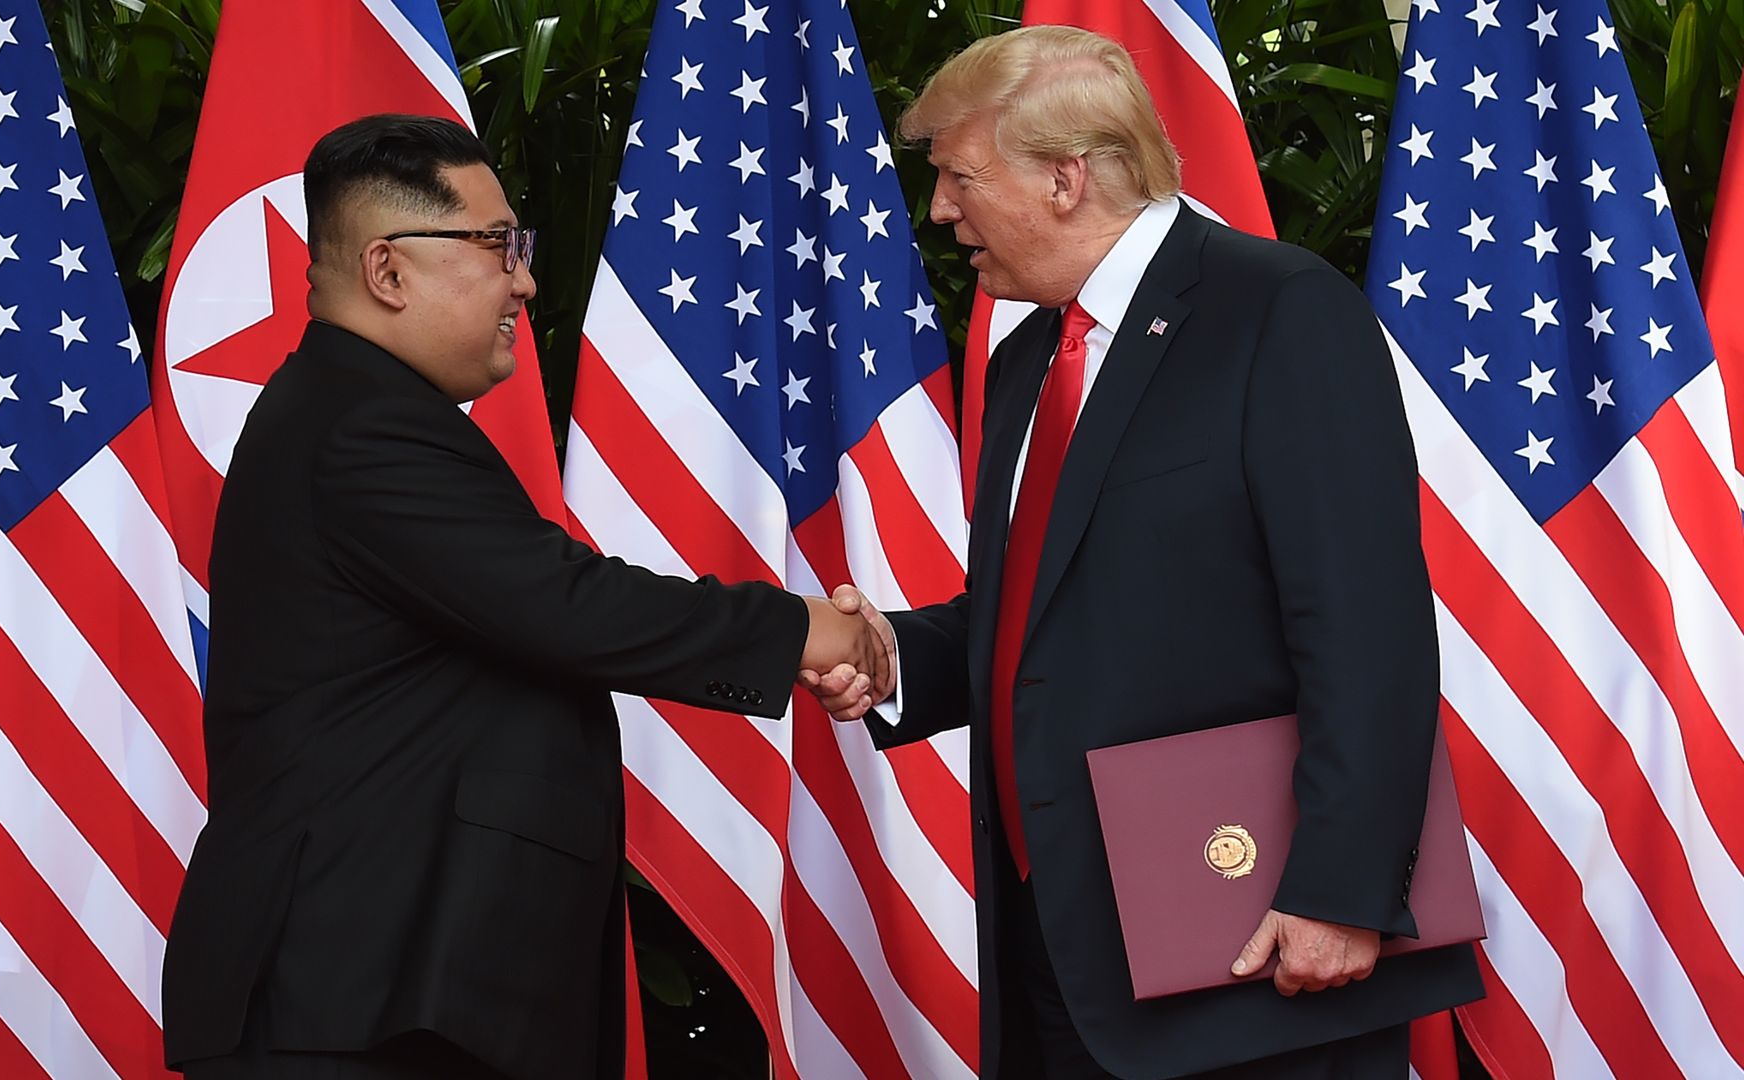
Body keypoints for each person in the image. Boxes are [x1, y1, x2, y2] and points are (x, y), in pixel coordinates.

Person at [803, 26, 1482, 1080]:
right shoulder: (1031, 353)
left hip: (1258, 951)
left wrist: (1342, 890)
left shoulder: (1279, 309)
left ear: (1065, 177)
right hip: (1066, 952)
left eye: (959, 178)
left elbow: (1366, 620)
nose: (939, 211)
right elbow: (1047, 611)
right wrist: (892, 657)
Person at [161, 113, 888, 1080]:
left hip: (378, 994)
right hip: (349, 1001)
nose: (525, 281)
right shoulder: (360, 427)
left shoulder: (355, 410)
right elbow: (565, 605)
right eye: (497, 246)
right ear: (388, 270)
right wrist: (802, 629)